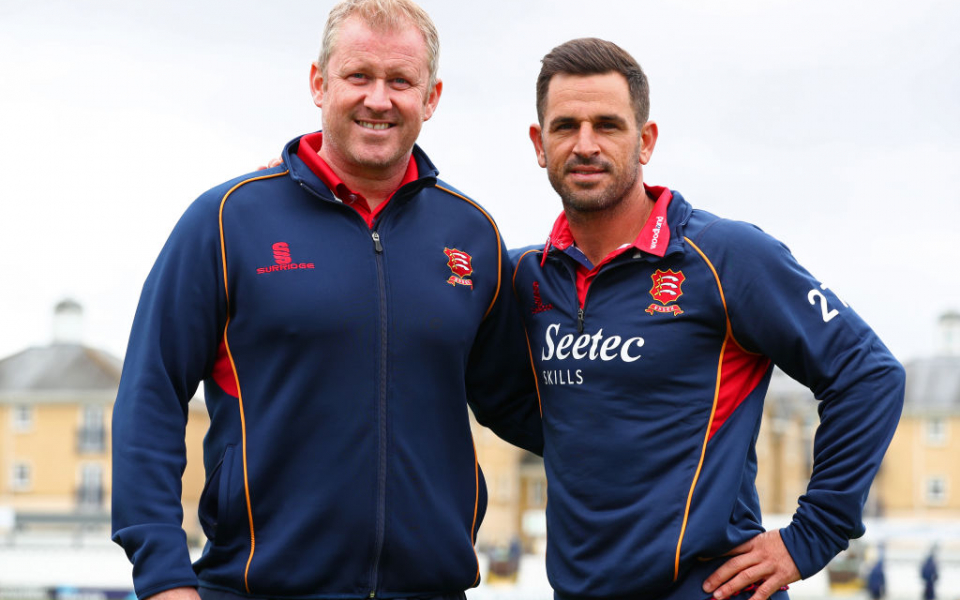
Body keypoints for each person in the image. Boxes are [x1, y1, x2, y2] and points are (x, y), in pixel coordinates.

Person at [110, 2, 542, 600]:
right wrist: (161, 578)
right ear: (319, 82)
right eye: (358, 76)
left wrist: (707, 511)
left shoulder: (473, 236)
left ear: (432, 96)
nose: (378, 99)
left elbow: (534, 410)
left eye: (401, 81)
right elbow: (149, 395)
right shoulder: (228, 220)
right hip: (257, 588)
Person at [511, 38, 905, 600]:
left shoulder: (726, 256)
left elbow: (868, 374)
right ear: (539, 143)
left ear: (645, 141)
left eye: (608, 125)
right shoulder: (527, 276)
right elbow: (504, 396)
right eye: (565, 125)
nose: (586, 144)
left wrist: (812, 535)